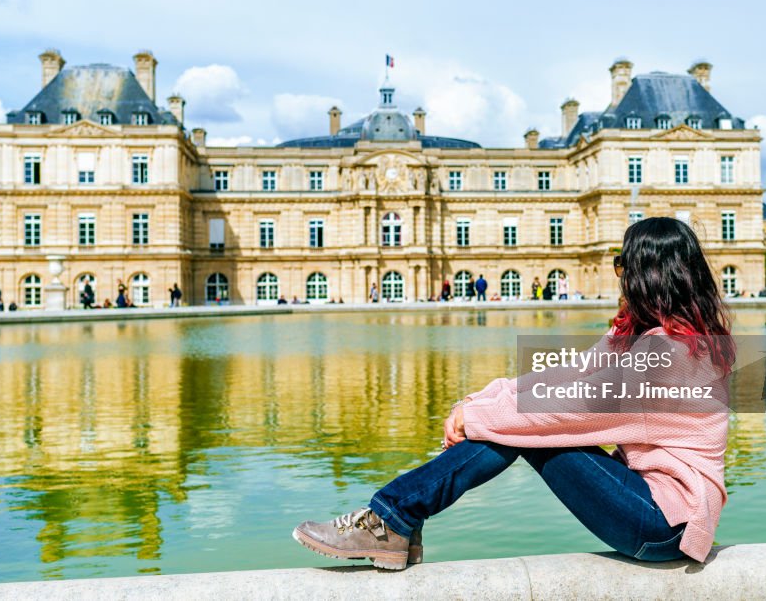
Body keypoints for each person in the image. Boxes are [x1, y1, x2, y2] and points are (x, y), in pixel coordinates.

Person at [292, 217, 735, 570]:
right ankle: (394, 519)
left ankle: (391, 518)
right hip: (649, 502)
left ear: (648, 275)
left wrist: (479, 418)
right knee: (514, 421)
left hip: (664, 524)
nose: (619, 276)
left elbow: (569, 407)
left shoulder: (670, 353)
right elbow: (569, 375)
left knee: (521, 428)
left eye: (623, 265)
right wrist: (477, 401)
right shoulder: (651, 337)